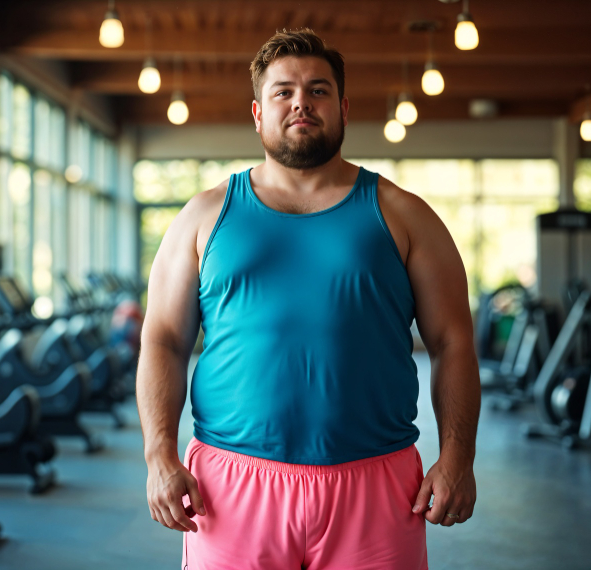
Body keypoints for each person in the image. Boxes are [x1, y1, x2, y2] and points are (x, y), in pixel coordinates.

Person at [137, 28, 481, 570]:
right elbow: (162, 339)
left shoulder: (405, 214)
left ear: (343, 108)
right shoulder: (204, 217)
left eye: (318, 90)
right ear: (257, 112)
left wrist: (459, 454)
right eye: (283, 92)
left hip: (376, 480)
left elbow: (453, 341)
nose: (302, 102)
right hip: (231, 484)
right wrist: (158, 454)